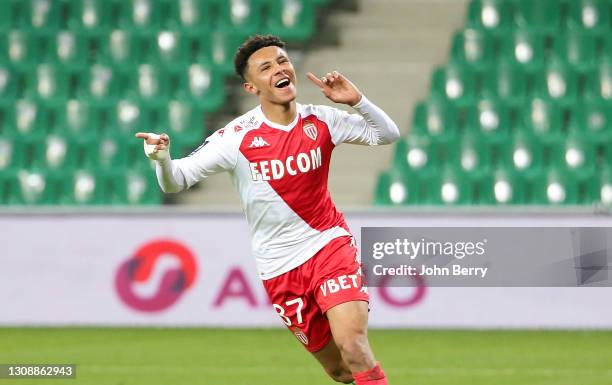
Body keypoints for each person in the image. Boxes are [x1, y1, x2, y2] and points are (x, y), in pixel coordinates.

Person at [136, 35, 399, 385]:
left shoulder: (321, 120)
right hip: (279, 267)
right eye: (267, 67)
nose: (279, 68)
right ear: (251, 86)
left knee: (353, 345)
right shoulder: (236, 137)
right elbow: (176, 181)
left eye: (282, 61)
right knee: (340, 370)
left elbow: (386, 134)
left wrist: (358, 101)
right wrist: (161, 159)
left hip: (328, 244)